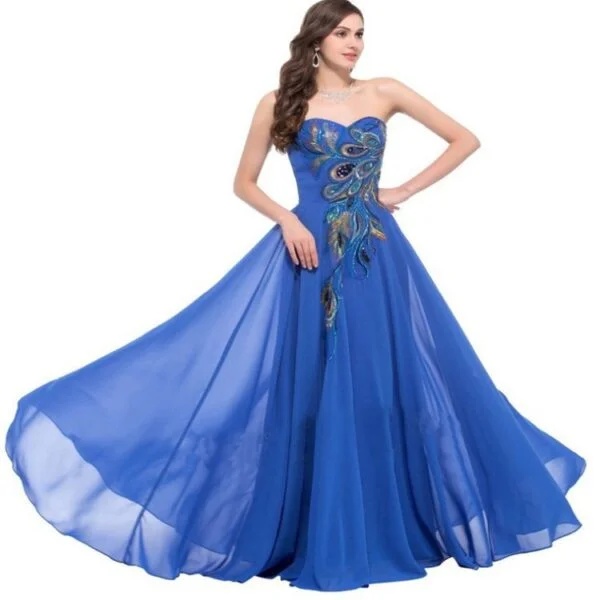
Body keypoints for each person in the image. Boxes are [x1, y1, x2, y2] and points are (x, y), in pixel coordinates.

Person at [5, 0, 586, 593]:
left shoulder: (384, 91)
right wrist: (287, 219)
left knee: (381, 385)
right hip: (307, 256)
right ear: (316, 39)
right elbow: (243, 182)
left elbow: (466, 139)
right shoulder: (279, 101)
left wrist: (402, 189)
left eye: (360, 33)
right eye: (342, 32)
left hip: (375, 257)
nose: (354, 43)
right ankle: (315, 530)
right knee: (312, 387)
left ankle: (384, 525)